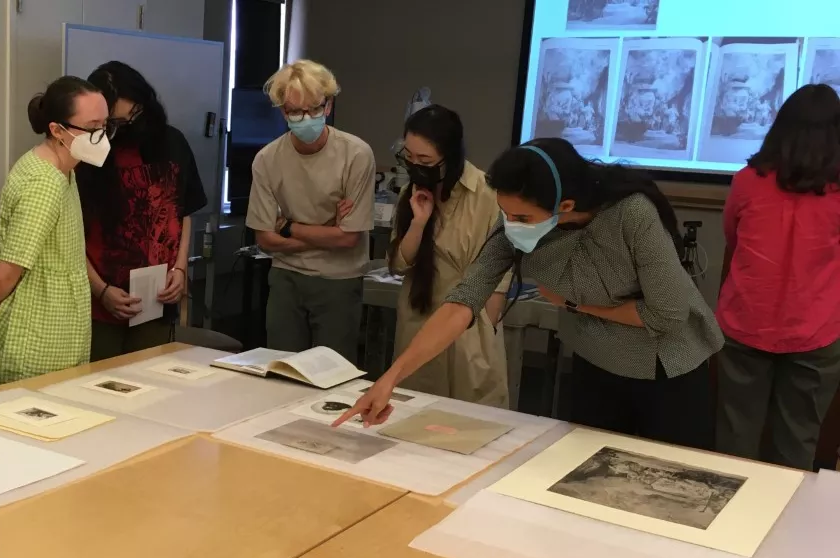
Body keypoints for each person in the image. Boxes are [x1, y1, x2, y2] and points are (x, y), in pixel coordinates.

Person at [338, 138, 722, 451]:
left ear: (565, 206)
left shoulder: (631, 214)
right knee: (585, 469)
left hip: (666, 366)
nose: (511, 225)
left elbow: (667, 313)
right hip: (596, 360)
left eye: (521, 218)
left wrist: (575, 305)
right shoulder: (516, 228)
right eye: (505, 214)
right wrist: (390, 378)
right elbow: (464, 301)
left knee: (670, 474)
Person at [716, 84, 840, 470]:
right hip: (816, 330)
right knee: (797, 444)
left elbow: (733, 240)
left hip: (744, 323)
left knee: (734, 441)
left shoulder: (747, 180)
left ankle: (726, 526)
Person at [0, 77, 109, 390]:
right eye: (93, 127)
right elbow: (7, 271)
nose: (102, 136)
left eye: (106, 126)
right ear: (57, 130)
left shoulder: (64, 169)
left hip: (58, 327)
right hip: (38, 335)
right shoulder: (44, 184)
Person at [246, 60, 375, 363]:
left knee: (332, 373)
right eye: (295, 112)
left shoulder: (356, 155)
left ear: (328, 106)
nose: (306, 118)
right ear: (282, 112)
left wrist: (289, 226)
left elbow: (348, 241)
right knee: (281, 369)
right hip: (286, 279)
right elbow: (265, 240)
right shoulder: (267, 159)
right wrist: (328, 228)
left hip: (339, 280)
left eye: (314, 109)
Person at [76, 61, 207, 360]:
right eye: (118, 123)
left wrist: (180, 269)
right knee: (97, 388)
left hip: (156, 300)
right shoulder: (89, 153)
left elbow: (184, 211)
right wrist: (100, 289)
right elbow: (70, 234)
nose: (132, 125)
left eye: (135, 114)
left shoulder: (172, 142)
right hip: (100, 299)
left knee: (149, 386)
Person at [390, 105, 510, 408]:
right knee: (413, 414)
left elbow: (500, 273)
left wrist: (486, 326)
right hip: (419, 314)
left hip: (470, 323)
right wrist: (418, 222)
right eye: (409, 158)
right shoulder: (410, 193)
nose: (416, 166)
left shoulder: (488, 193)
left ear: (451, 155)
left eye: (425, 160)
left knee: (469, 418)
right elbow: (399, 265)